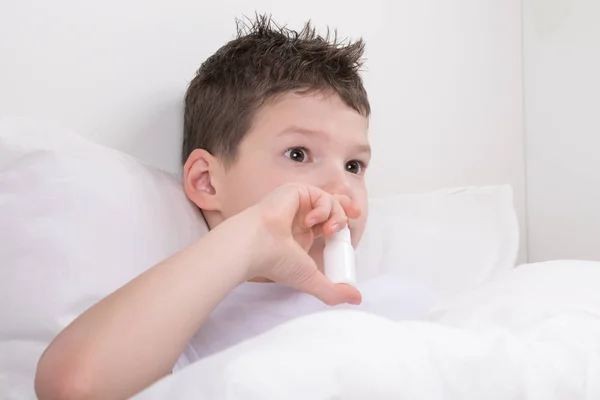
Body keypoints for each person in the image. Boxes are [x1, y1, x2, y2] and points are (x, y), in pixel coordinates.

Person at [34, 14, 436, 400]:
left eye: (354, 166)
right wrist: (254, 235)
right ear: (207, 181)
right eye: (298, 154)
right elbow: (74, 386)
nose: (341, 187)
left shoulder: (398, 302)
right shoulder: (186, 324)